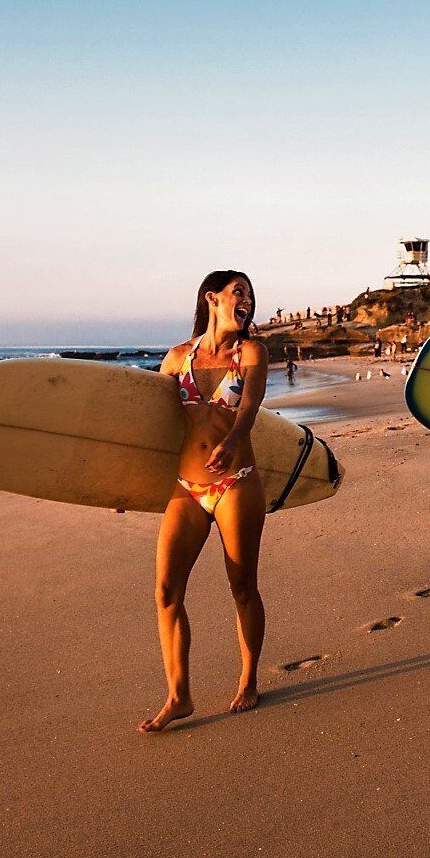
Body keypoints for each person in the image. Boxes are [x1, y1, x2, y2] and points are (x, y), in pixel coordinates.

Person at [144, 271, 270, 731]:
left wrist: (234, 439)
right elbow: (154, 425)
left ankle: (248, 678)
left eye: (251, 295)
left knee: (241, 586)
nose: (248, 300)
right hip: (187, 487)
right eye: (240, 292)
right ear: (212, 298)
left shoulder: (252, 352)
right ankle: (179, 695)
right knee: (165, 591)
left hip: (236, 482)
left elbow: (250, 406)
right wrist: (122, 483)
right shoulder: (178, 357)